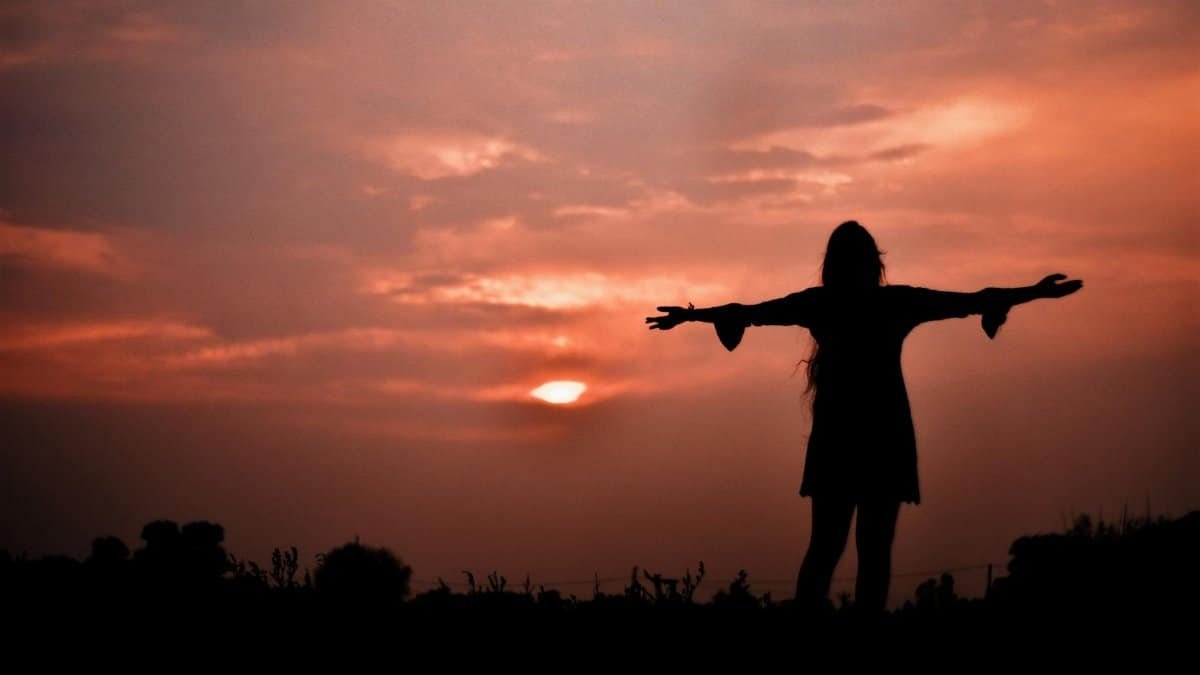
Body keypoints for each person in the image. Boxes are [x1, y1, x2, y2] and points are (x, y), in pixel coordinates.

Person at [644, 220, 1083, 615]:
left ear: (831, 264)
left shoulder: (823, 304)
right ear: (874, 263)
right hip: (885, 436)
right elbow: (970, 301)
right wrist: (1036, 292)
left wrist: (691, 317)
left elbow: (751, 312)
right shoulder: (893, 303)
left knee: (825, 549)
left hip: (838, 437)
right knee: (873, 552)